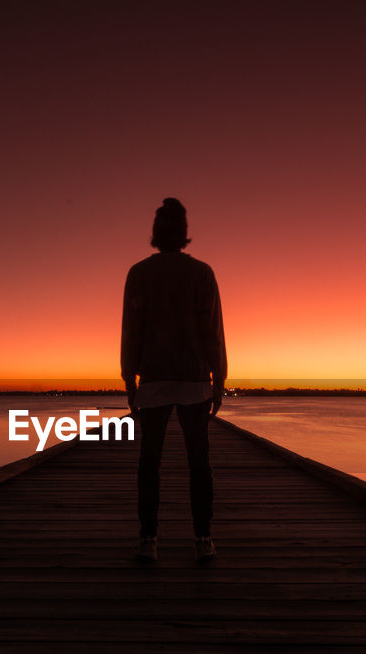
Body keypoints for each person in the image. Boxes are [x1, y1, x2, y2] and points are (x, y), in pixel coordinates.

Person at [121, 197, 227, 563]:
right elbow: (213, 331)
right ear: (184, 234)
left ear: (156, 233)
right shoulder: (201, 273)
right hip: (195, 379)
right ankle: (203, 538)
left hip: (153, 381)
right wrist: (219, 379)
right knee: (199, 461)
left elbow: (131, 331)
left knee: (149, 462)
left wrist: (129, 379)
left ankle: (148, 539)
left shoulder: (139, 273)